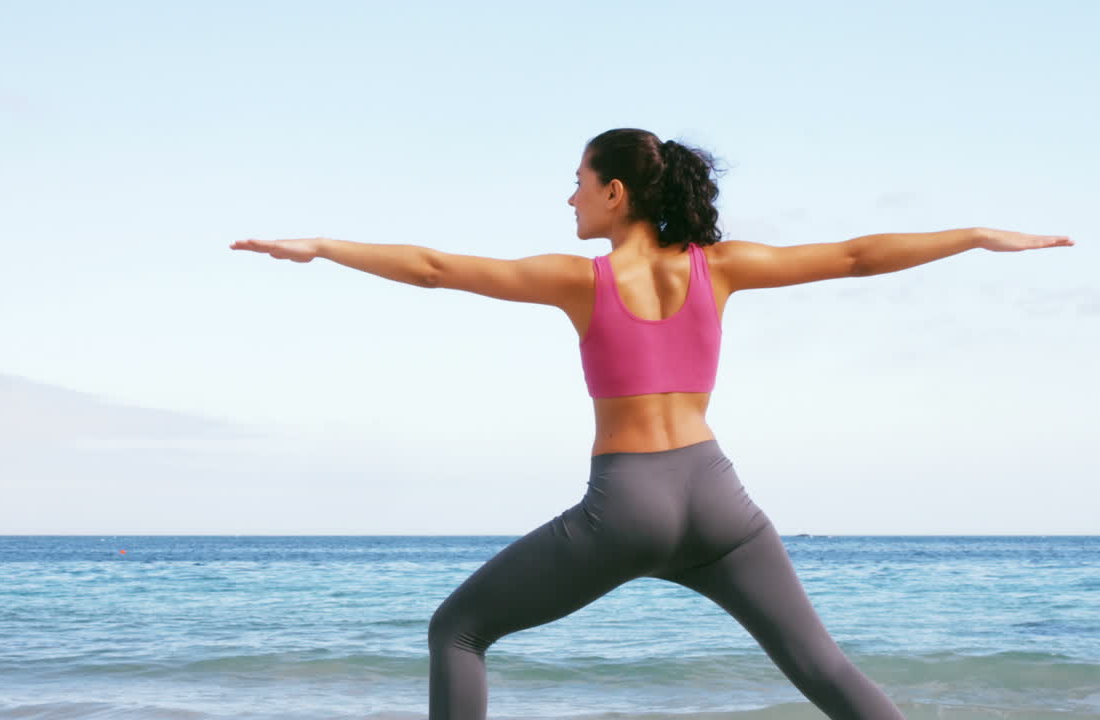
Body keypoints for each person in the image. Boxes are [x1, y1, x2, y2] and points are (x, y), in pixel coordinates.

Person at [230, 128, 1073, 720]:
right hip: (717, 502)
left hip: (626, 506)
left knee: (459, 630)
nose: (569, 197)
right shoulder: (724, 267)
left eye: (577, 180)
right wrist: (973, 236)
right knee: (824, 668)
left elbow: (437, 269)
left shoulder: (579, 280)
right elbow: (856, 256)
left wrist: (324, 246)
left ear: (615, 190)